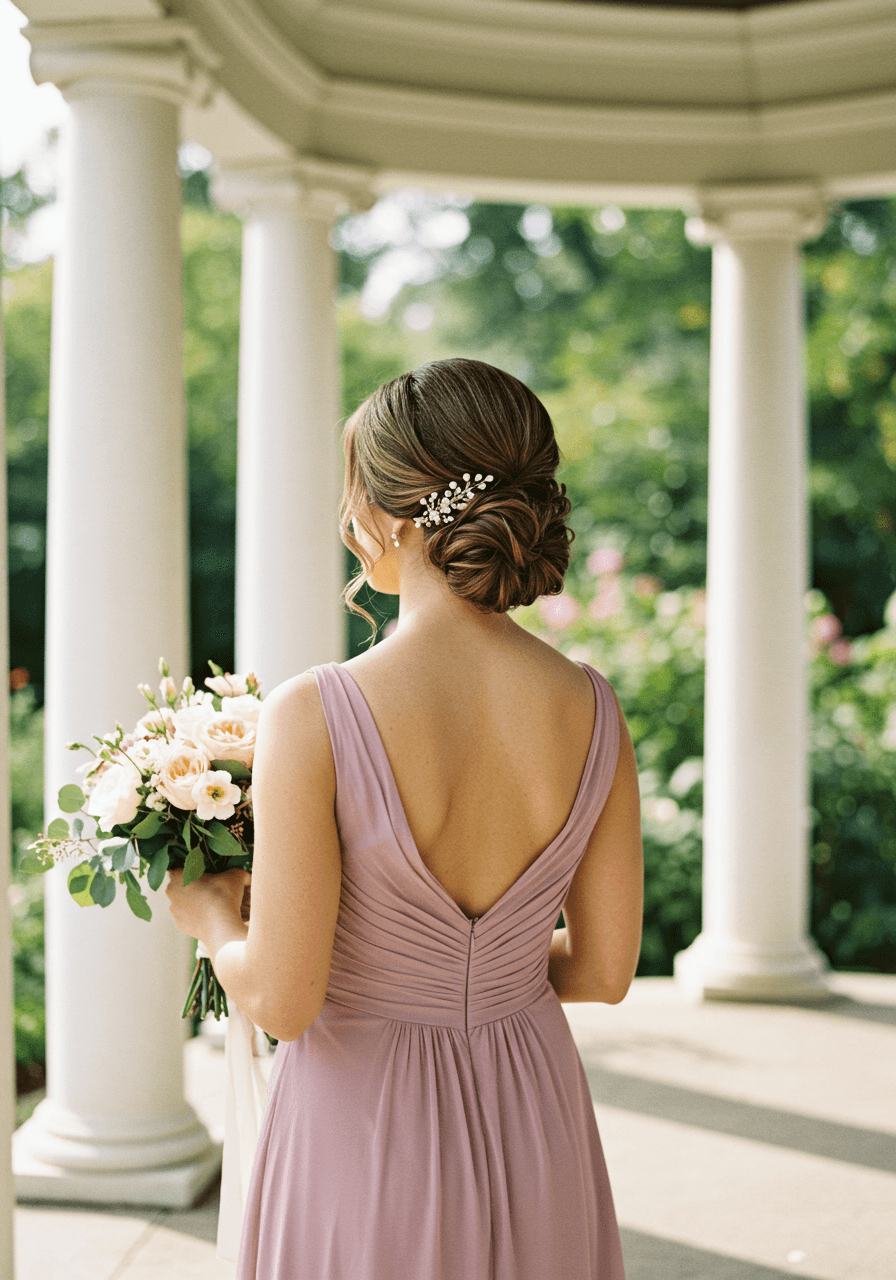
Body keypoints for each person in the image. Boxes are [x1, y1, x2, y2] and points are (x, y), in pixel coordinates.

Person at [165, 357, 644, 1279]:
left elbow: (285, 1000)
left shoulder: (315, 712)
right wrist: (482, 974)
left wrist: (213, 918)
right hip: (532, 1109)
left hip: (364, 1121)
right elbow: (604, 971)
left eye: (353, 487)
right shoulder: (593, 706)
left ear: (393, 515)